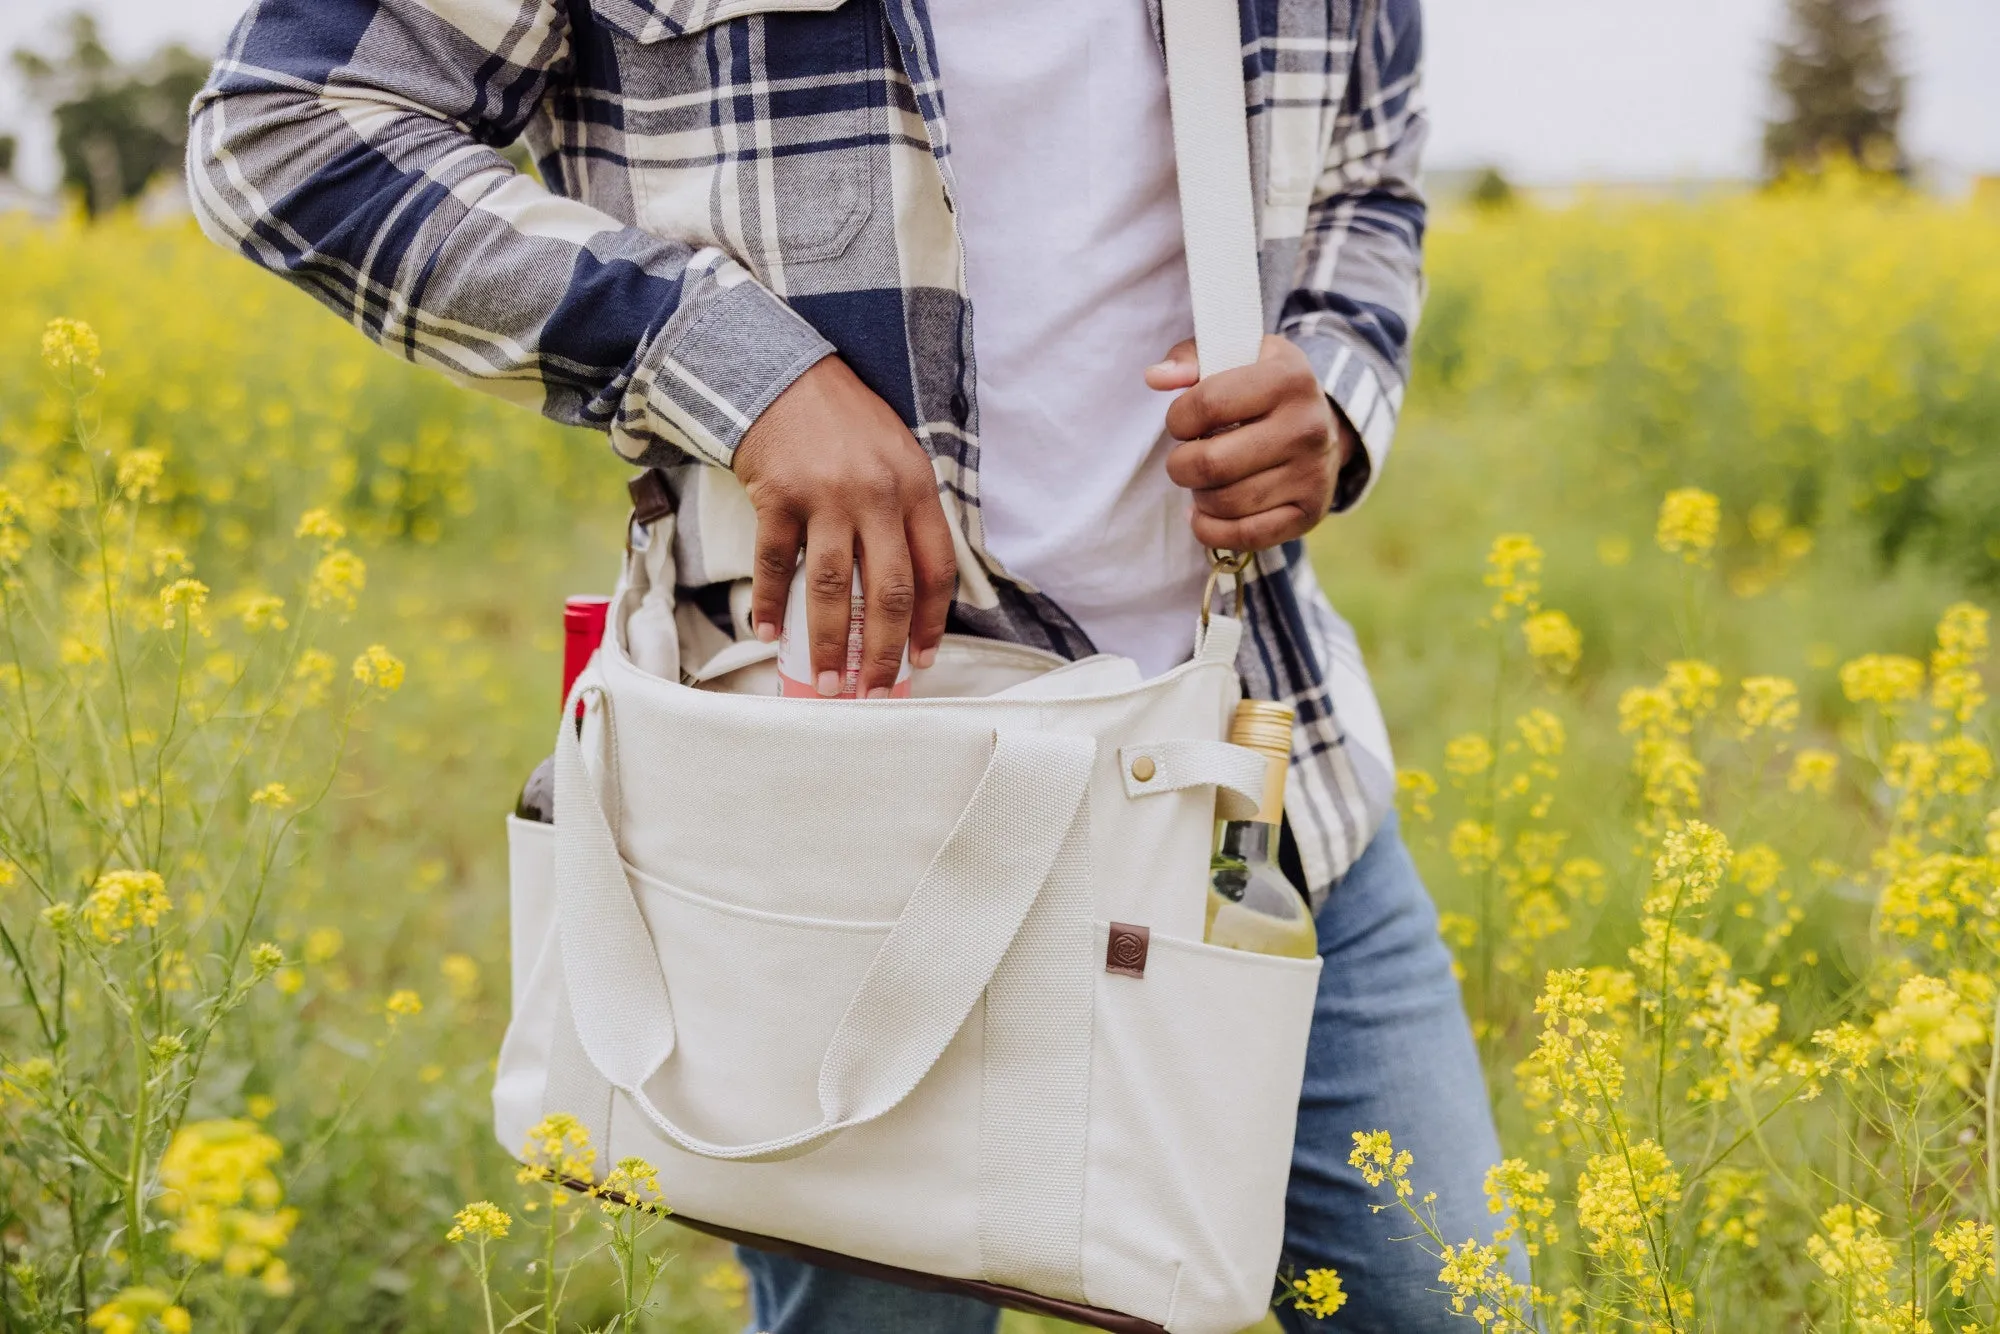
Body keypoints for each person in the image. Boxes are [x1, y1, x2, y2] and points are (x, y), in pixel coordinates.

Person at [189, 0, 1512, 1327]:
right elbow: (286, 125)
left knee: (1450, 1304)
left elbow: (1366, 182)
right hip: (834, 799)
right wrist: (732, 365)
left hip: (1253, 778)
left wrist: (1332, 392)